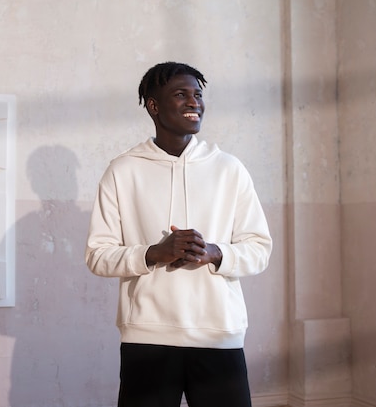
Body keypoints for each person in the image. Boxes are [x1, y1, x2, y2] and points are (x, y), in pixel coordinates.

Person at [85, 61, 272, 407]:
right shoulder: (122, 171)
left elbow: (260, 248)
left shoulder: (230, 170)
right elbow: (97, 255)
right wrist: (153, 253)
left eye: (198, 95)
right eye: (181, 94)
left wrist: (217, 253)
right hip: (148, 338)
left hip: (219, 336)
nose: (194, 103)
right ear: (153, 106)